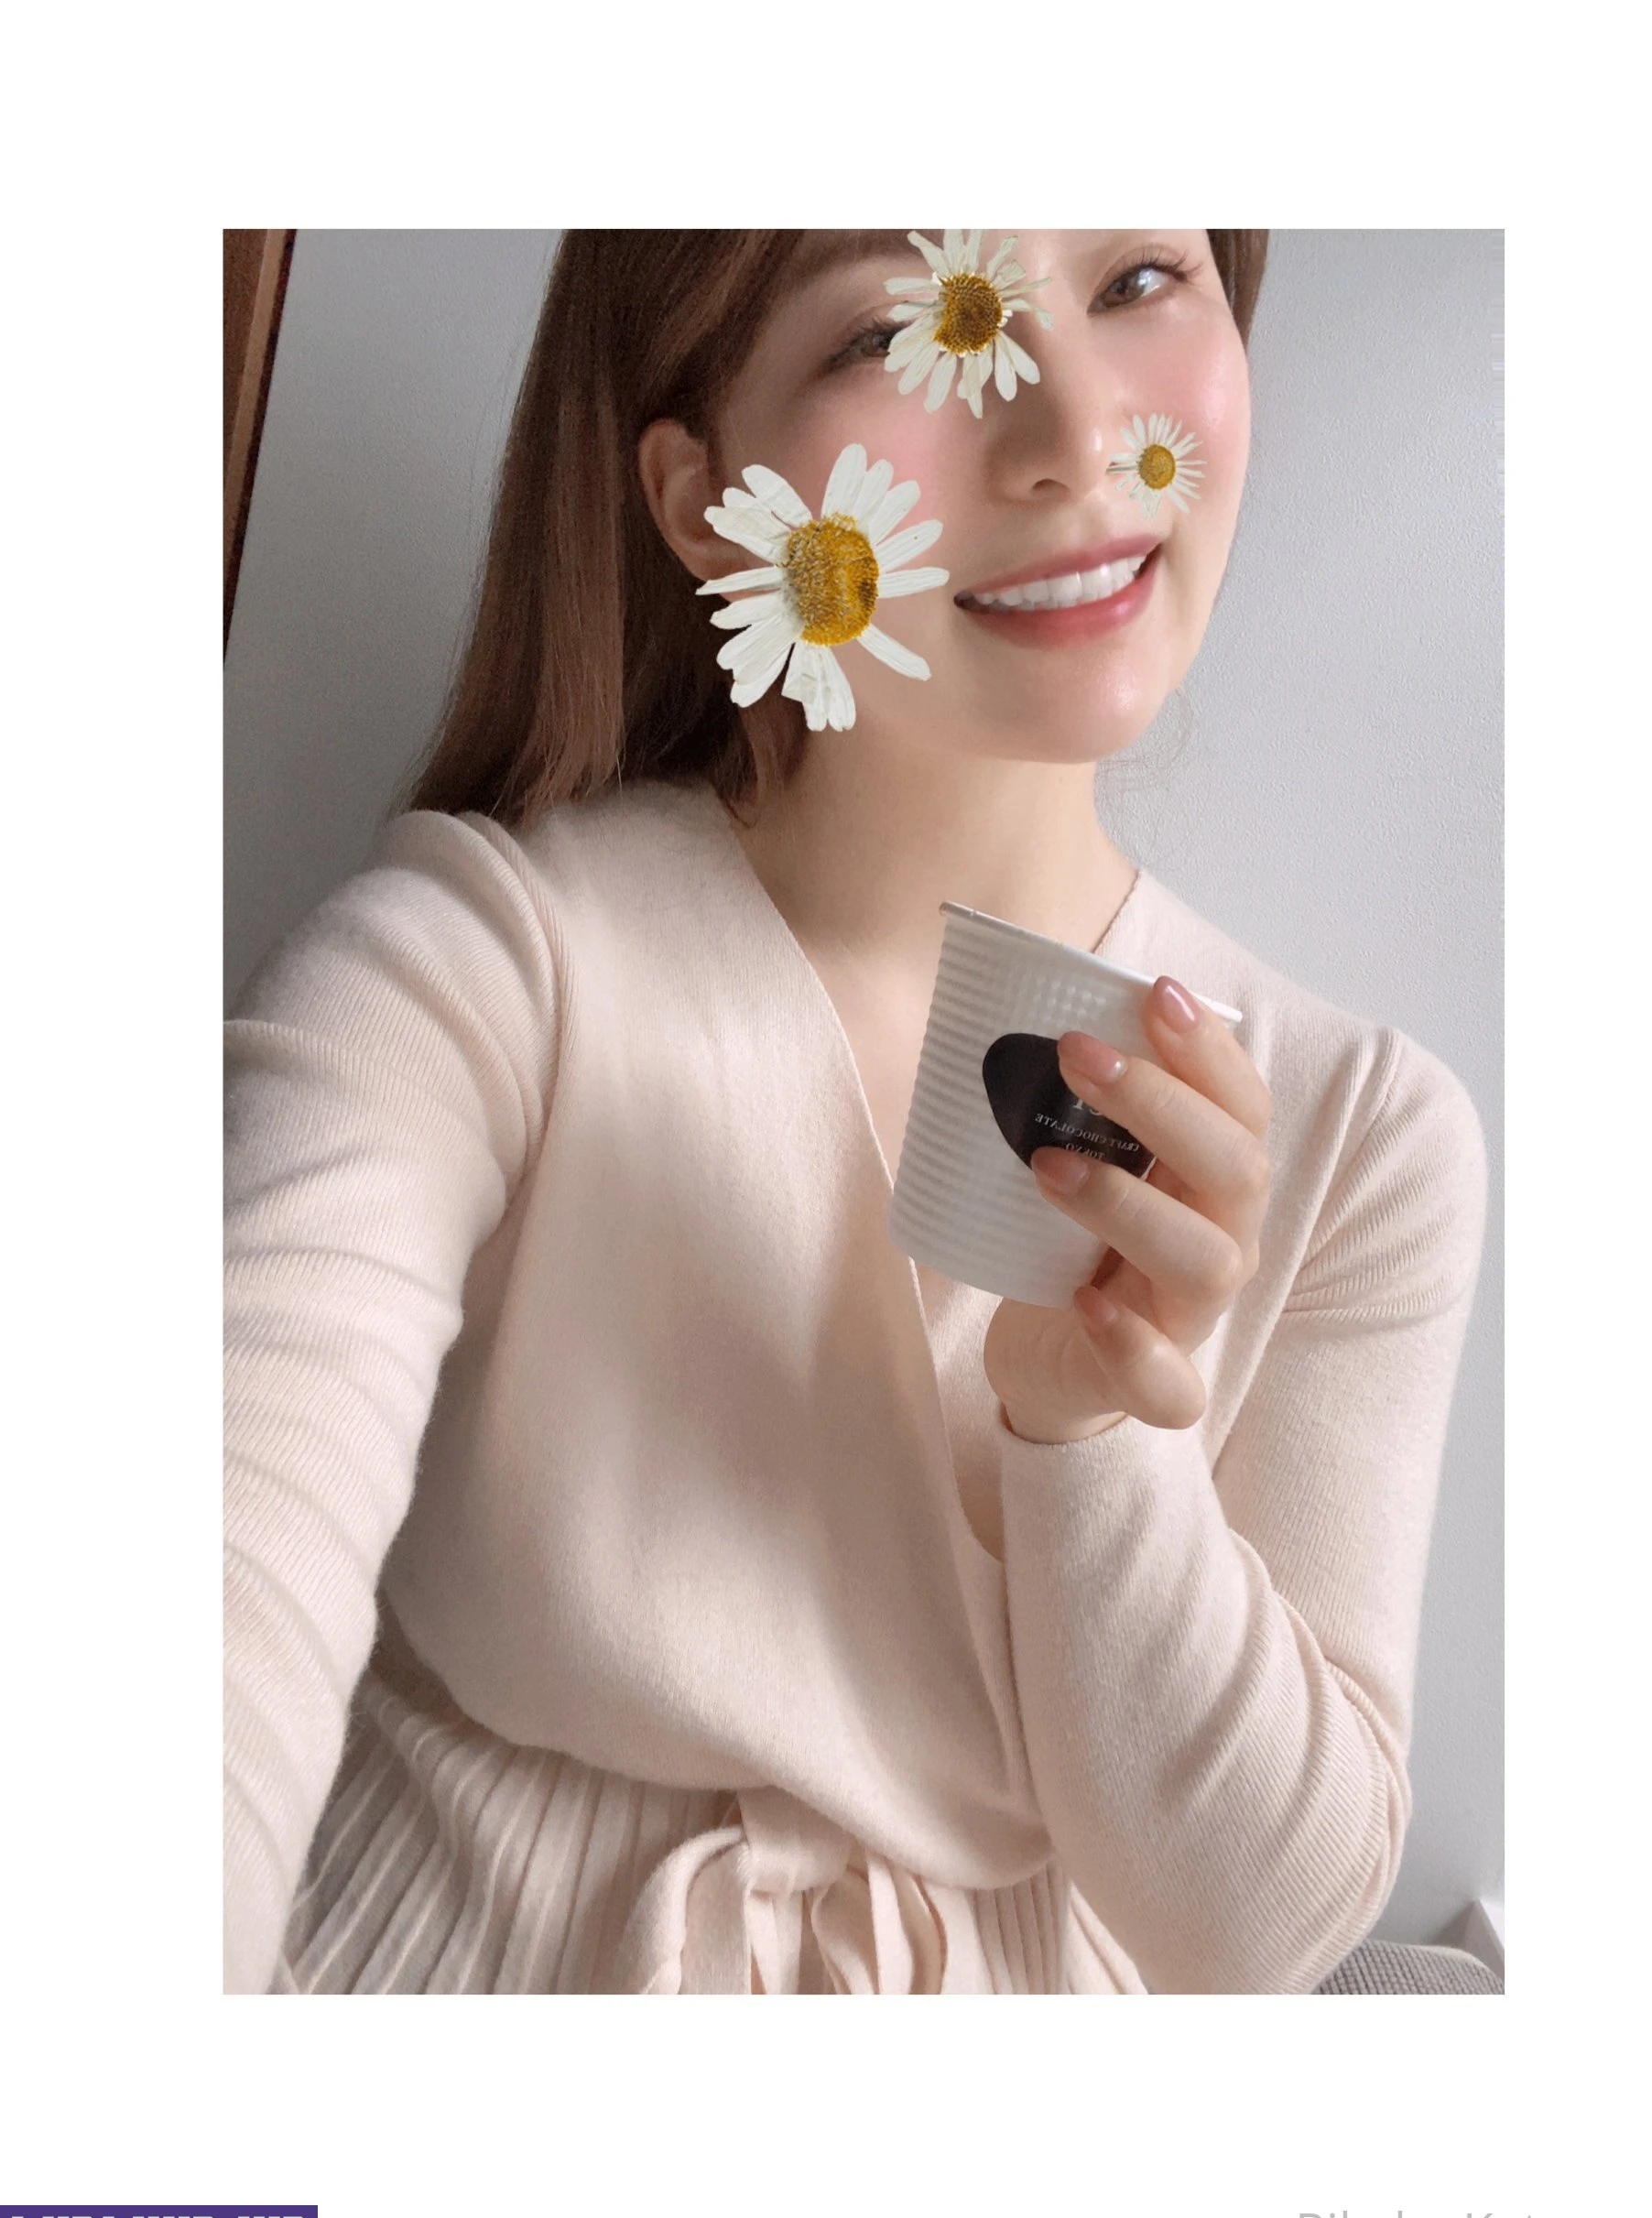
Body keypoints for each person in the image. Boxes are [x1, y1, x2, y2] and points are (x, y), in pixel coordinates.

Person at [223, 229, 1488, 1995]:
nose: (1074, 434)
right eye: (906, 327)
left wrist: (1090, 1435)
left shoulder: (1363, 1136)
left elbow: (1257, 1936)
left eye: (1138, 279)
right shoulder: (477, 977)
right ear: (699, 501)